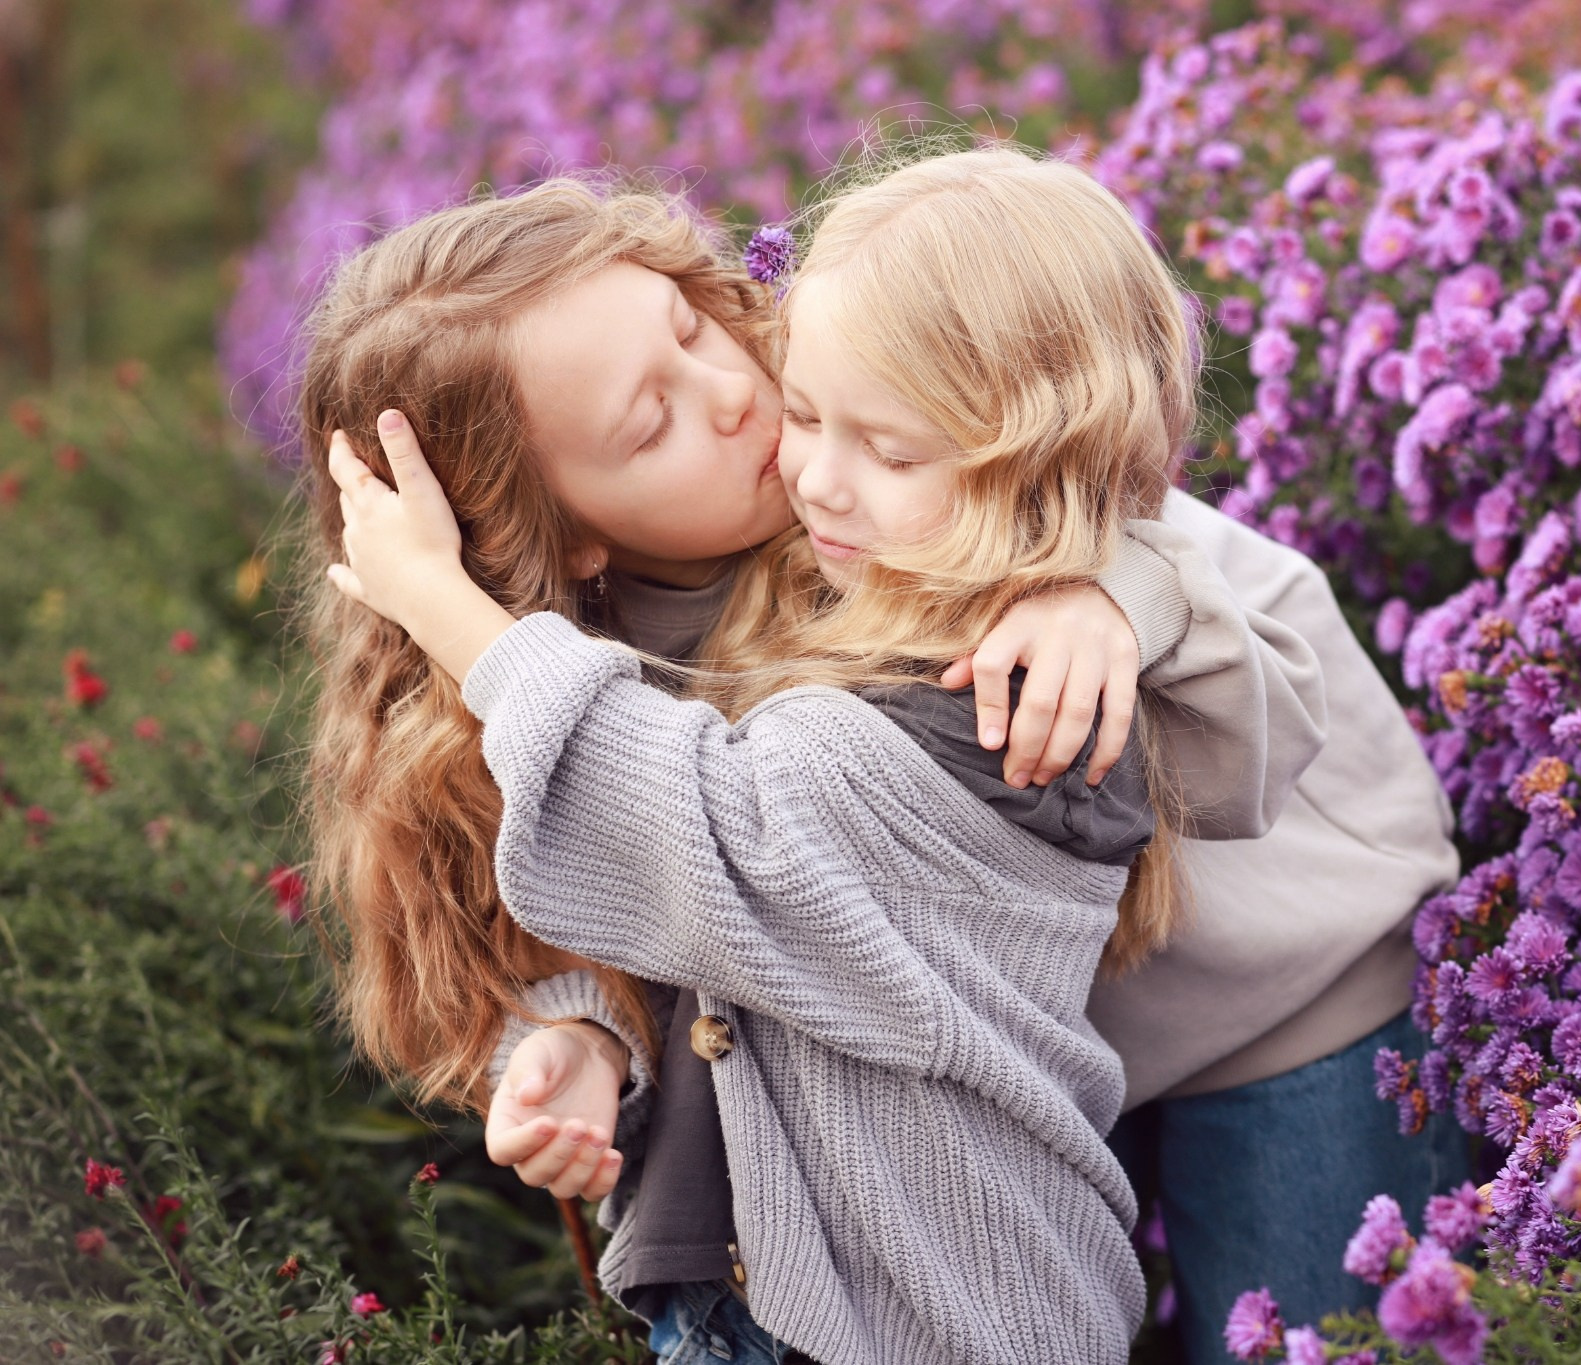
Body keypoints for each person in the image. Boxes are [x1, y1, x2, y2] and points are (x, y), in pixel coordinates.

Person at [310, 148, 1320, 1365]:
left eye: (691, 327)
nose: (733, 393)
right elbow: (592, 903)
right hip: (723, 1286)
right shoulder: (571, 670)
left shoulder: (910, 514)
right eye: (651, 419)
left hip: (951, 1293)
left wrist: (1100, 587)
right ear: (563, 538)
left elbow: (729, 827)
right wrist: (577, 1040)